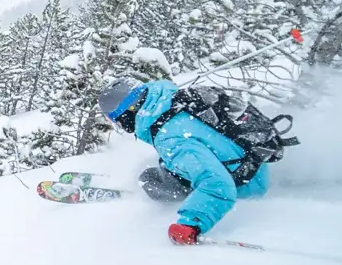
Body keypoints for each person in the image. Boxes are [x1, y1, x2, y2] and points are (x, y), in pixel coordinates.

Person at [97, 76, 270, 245]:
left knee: (149, 179)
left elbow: (218, 184)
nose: (120, 126)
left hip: (248, 183)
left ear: (127, 113)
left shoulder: (170, 139)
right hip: (252, 164)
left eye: (116, 121)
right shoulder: (171, 103)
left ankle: (176, 199)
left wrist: (191, 223)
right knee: (166, 164)